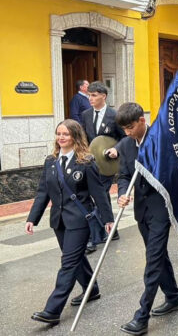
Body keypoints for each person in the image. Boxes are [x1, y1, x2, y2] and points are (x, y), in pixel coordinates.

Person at [26, 119, 114, 326]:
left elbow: (99, 193)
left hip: (79, 221)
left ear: (75, 136)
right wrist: (32, 219)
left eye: (65, 134)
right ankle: (92, 290)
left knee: (68, 264)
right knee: (74, 258)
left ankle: (52, 310)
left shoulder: (87, 161)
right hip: (59, 220)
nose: (61, 137)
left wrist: (108, 219)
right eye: (58, 133)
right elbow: (43, 193)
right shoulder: (51, 161)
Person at [115, 103, 178, 335]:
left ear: (142, 121)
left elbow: (175, 171)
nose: (127, 133)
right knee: (159, 255)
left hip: (161, 207)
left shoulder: (160, 140)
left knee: (152, 259)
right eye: (124, 129)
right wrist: (122, 193)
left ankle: (141, 316)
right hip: (142, 210)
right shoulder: (125, 145)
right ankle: (173, 297)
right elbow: (124, 174)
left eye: (131, 127)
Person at [80, 81, 125, 253]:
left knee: (98, 195)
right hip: (91, 164)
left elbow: (124, 138)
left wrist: (116, 149)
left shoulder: (115, 115)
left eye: (93, 95)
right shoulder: (85, 115)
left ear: (103, 96)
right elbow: (84, 138)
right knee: (101, 196)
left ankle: (93, 237)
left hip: (108, 165)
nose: (90, 98)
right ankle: (111, 230)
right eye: (89, 95)